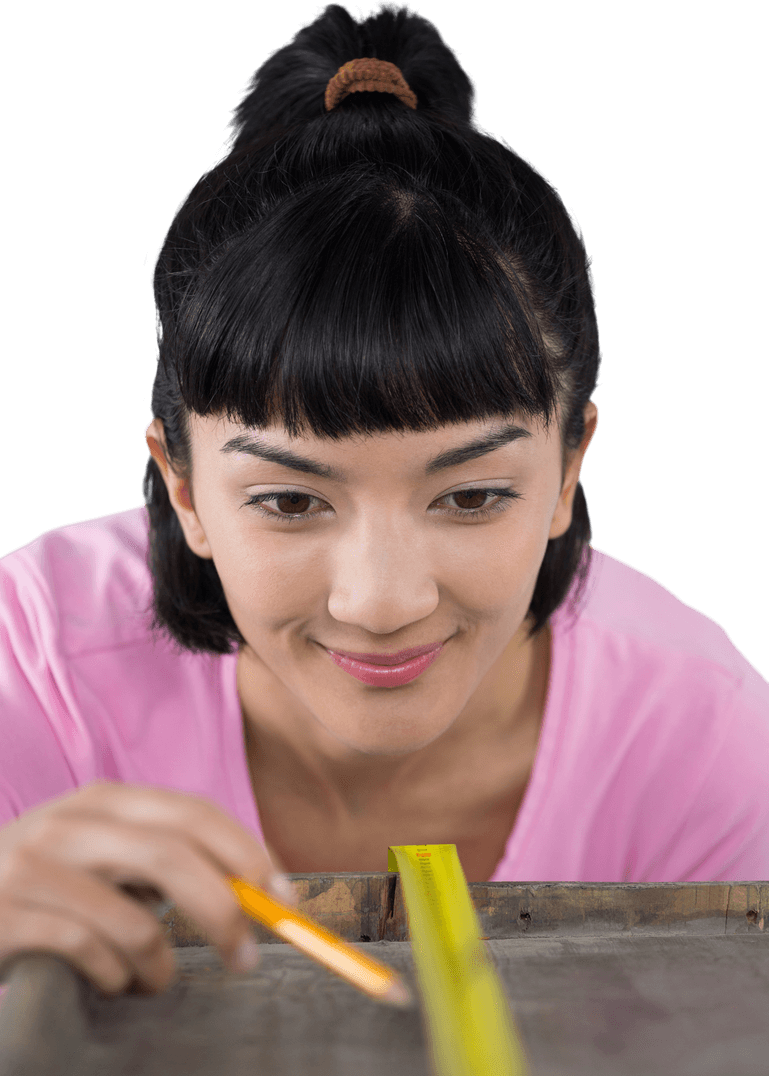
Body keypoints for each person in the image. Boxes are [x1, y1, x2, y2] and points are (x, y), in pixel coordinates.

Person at [1, 2, 767, 1004]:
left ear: (566, 473)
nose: (380, 602)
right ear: (184, 488)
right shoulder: (34, 667)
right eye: (288, 502)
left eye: (473, 495)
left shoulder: (706, 742)